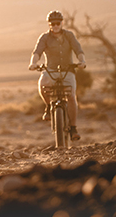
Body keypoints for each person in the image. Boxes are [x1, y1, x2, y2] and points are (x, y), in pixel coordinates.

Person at [28, 11, 87, 141]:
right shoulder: (44, 37)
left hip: (68, 70)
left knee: (71, 96)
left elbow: (78, 50)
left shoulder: (69, 35)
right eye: (52, 23)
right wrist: (33, 63)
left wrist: (82, 61)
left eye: (58, 23)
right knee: (43, 84)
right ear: (49, 24)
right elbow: (37, 52)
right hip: (51, 70)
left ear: (62, 23)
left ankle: (73, 127)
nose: (55, 26)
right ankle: (49, 106)